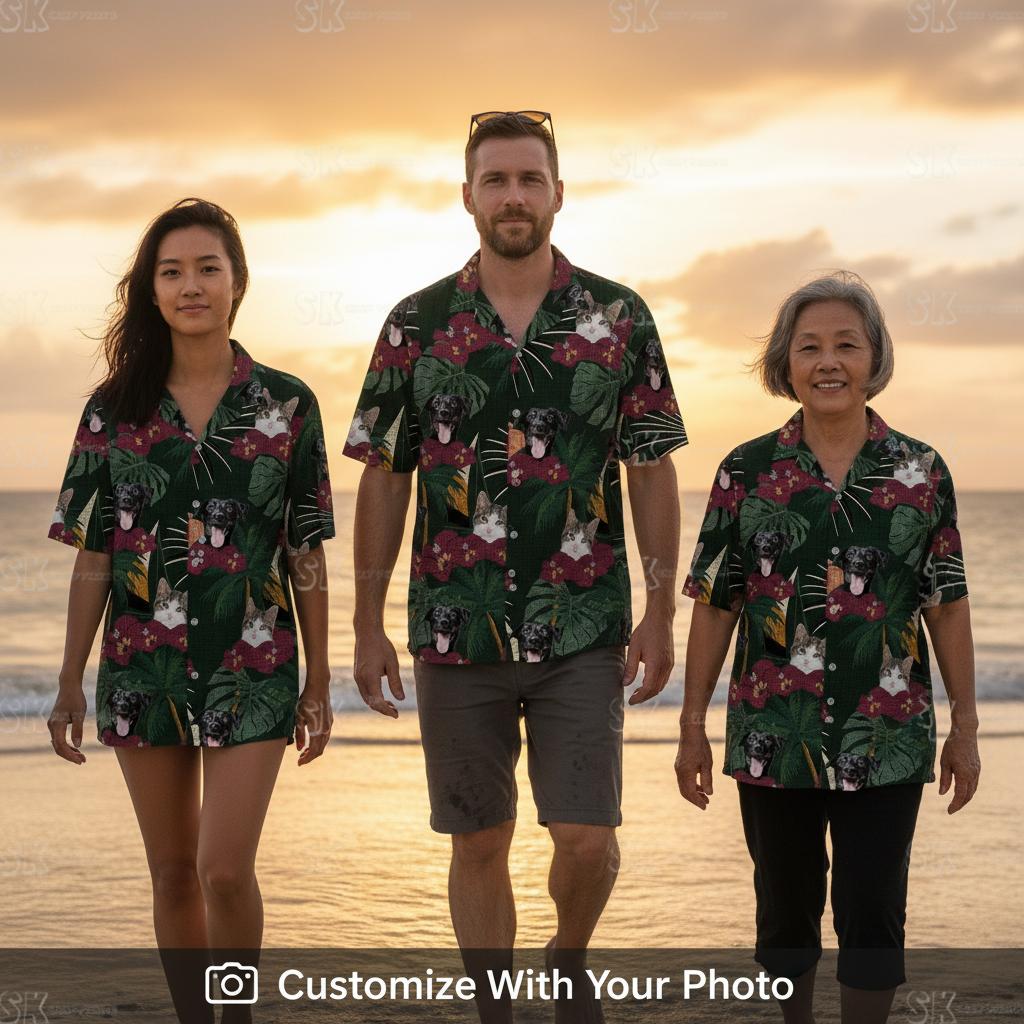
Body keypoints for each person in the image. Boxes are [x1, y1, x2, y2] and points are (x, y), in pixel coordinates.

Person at [343, 111, 688, 1022]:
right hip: (456, 626)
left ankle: (566, 954)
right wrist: (365, 621)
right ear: (467, 197)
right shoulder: (414, 323)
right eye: (495, 181)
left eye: (530, 180)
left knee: (585, 838)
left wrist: (661, 610)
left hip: (584, 623)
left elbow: (651, 467)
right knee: (479, 838)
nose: (513, 197)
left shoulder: (620, 317)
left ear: (558, 194)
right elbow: (384, 476)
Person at [46, 198, 336, 1023]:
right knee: (172, 872)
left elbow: (305, 550)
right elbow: (94, 555)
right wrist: (69, 680)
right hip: (144, 666)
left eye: (208, 268)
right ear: (151, 291)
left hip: (256, 667)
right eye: (171, 272)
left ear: (237, 283)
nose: (191, 285)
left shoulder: (288, 405)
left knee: (222, 869)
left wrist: (318, 679)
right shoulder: (113, 411)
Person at [674, 271, 980, 1024]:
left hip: (892, 734)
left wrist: (967, 727)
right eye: (809, 346)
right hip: (774, 736)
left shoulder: (921, 471)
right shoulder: (745, 473)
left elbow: (946, 604)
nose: (829, 360)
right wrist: (689, 724)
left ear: (875, 358)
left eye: (847, 343)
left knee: (873, 917)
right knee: (784, 918)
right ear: (786, 365)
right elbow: (717, 605)